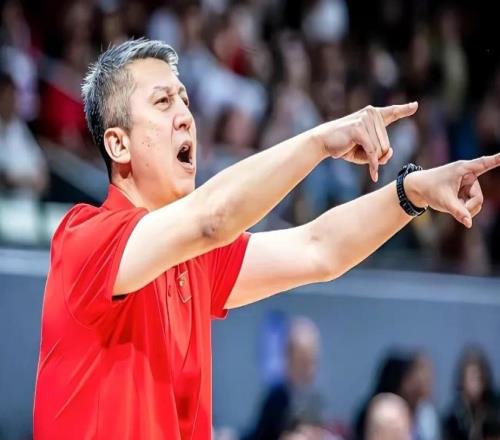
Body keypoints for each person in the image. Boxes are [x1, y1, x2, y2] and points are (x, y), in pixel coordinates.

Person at [33, 38, 500, 439]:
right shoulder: (84, 240)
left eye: (185, 100)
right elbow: (213, 217)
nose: (185, 116)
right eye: (163, 102)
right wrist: (319, 141)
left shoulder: (195, 259)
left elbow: (319, 249)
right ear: (118, 144)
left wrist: (412, 192)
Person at [247, 317, 325, 440]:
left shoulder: (315, 398)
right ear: (289, 359)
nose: (310, 368)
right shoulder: (276, 401)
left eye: (312, 360)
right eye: (303, 361)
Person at [444, 346, 500, 440]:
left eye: (478, 377)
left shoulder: (495, 409)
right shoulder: (454, 417)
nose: (475, 383)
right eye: (471, 378)